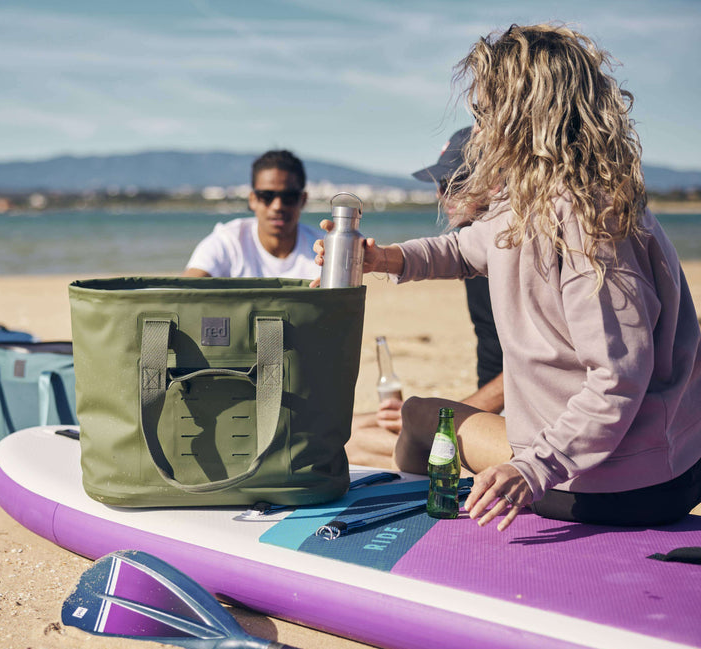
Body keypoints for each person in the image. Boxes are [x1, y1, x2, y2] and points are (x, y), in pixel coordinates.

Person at [317, 24, 701, 530]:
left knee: (419, 417)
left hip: (620, 482)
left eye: (482, 112)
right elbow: (464, 248)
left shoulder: (591, 223)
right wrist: (384, 258)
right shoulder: (535, 199)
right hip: (629, 462)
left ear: (523, 114)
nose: (477, 131)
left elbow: (618, 378)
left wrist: (532, 467)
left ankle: (423, 534)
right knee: (427, 415)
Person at [346, 128, 505, 466]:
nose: (441, 193)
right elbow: (443, 254)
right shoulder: (478, 248)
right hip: (498, 416)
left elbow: (526, 372)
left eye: (453, 183)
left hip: (523, 431)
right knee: (351, 428)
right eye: (440, 183)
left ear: (495, 181)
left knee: (359, 440)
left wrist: (445, 416)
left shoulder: (507, 250)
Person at [183, 150, 324, 279]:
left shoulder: (323, 249)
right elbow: (186, 292)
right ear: (253, 199)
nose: (277, 206)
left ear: (303, 200)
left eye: (289, 197)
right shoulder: (229, 242)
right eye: (266, 196)